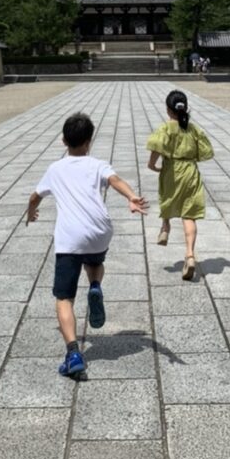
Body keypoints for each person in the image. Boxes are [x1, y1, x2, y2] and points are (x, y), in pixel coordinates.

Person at [27, 111, 148, 380]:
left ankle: (73, 354)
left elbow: (35, 197)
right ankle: (94, 285)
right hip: (99, 231)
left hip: (70, 238)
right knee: (95, 261)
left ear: (63, 141)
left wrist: (31, 212)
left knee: (64, 298)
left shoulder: (55, 169)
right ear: (89, 142)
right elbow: (115, 181)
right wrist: (131, 197)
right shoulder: (97, 164)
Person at [146, 89, 214, 280]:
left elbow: (156, 148)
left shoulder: (165, 129)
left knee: (167, 198)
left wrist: (152, 165)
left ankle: (165, 227)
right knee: (189, 214)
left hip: (171, 170)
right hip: (190, 171)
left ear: (168, 110)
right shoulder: (192, 129)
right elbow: (205, 151)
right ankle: (190, 255)